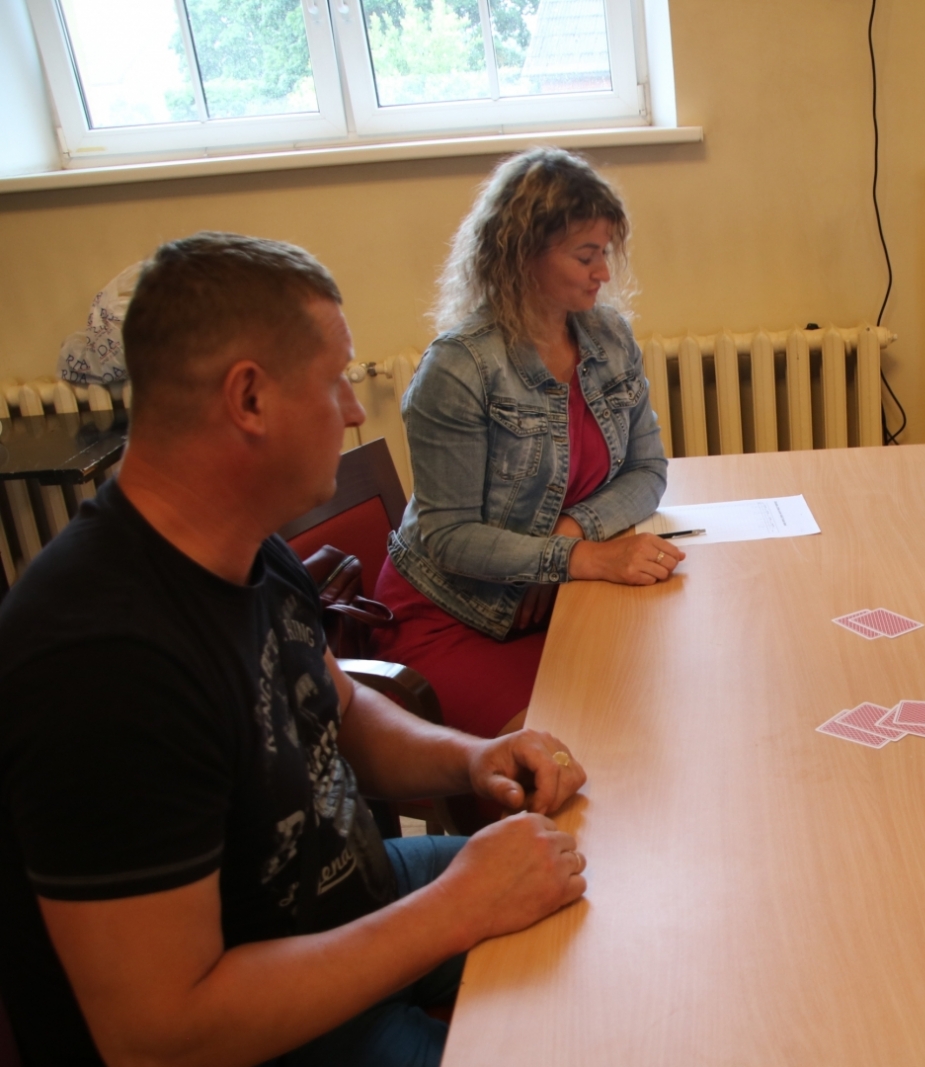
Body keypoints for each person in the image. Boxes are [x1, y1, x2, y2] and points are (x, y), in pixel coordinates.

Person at [0, 233, 590, 1067]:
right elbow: (161, 1034)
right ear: (250, 399)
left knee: (605, 900)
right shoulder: (101, 664)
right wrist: (455, 910)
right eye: (335, 380)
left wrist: (471, 759)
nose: (353, 410)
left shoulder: (247, 543)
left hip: (354, 902)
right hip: (267, 1023)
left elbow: (337, 708)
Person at [373, 147, 681, 740]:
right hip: (458, 616)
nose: (603, 273)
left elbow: (649, 469)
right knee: (574, 757)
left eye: (605, 254)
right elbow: (448, 537)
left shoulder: (609, 336)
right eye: (585, 256)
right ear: (522, 255)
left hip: (556, 601)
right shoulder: (459, 368)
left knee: (655, 713)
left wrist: (568, 536)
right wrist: (575, 560)